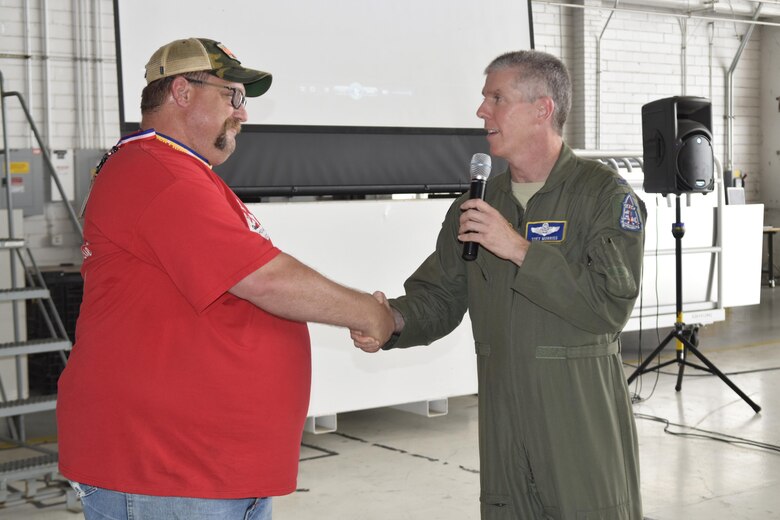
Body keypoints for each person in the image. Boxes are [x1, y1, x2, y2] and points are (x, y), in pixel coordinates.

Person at [57, 37, 394, 520]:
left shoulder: (179, 173)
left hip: (202, 469)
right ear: (181, 91)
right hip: (164, 469)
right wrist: (370, 313)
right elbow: (265, 280)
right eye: (232, 96)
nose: (244, 113)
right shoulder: (157, 172)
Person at [353, 50, 645, 519]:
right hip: (503, 418)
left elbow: (608, 307)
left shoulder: (602, 195)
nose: (482, 110)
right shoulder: (478, 204)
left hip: (578, 417)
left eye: (496, 98)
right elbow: (442, 296)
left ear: (542, 109)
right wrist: (391, 321)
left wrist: (520, 250)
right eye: (484, 98)